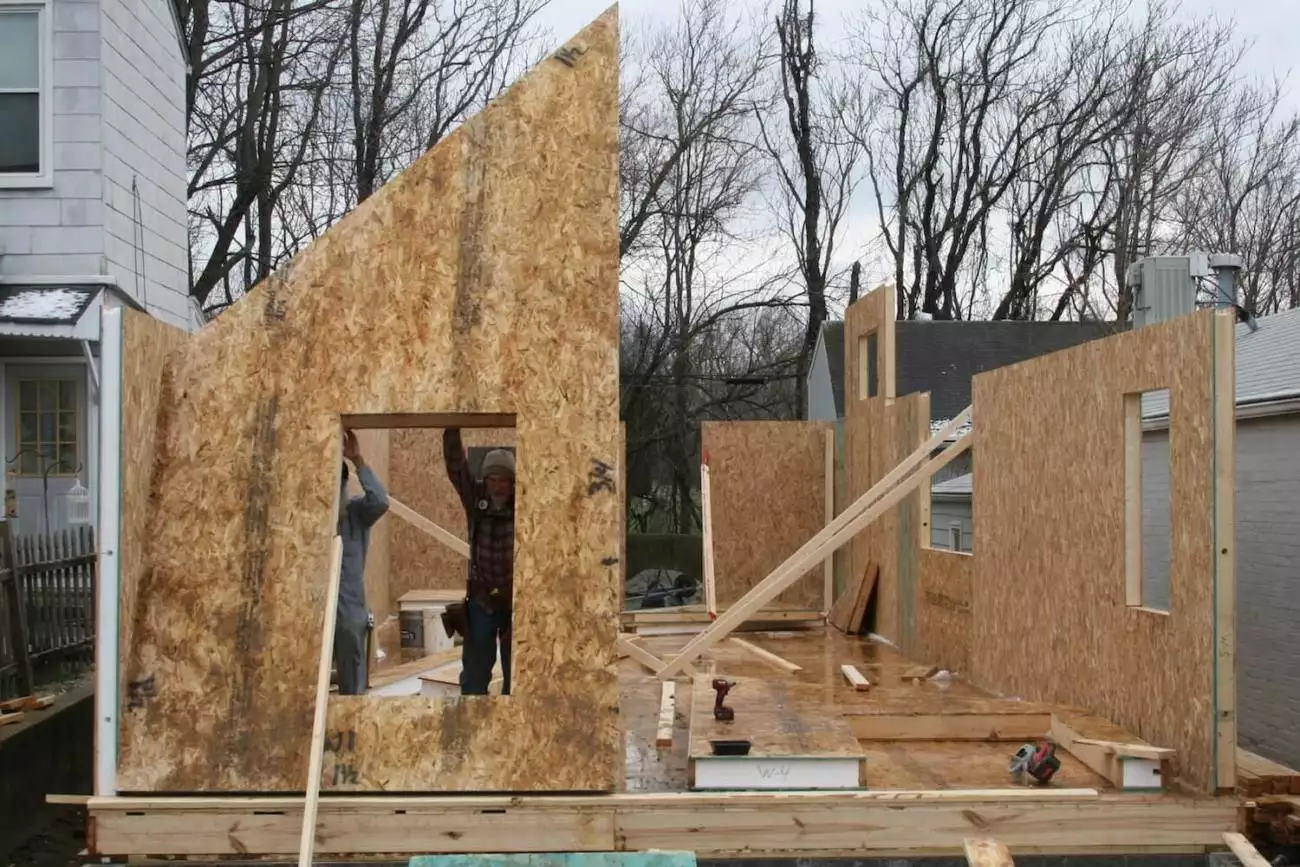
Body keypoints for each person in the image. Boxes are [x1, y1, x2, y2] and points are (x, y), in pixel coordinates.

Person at [443, 427, 516, 696]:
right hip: (482, 601)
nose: (498, 486)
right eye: (492, 479)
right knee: (474, 675)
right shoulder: (477, 503)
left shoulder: (525, 506)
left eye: (504, 480)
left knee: (518, 675)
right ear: (485, 481)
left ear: (512, 484)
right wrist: (452, 427)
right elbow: (457, 469)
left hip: (514, 602)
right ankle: (473, 724)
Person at [334, 428, 389, 695]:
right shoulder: (306, 521)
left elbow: (380, 501)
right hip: (316, 608)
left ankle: (350, 724)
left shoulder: (356, 513)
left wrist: (358, 461)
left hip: (350, 609)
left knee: (352, 682)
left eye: (339, 485)